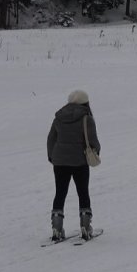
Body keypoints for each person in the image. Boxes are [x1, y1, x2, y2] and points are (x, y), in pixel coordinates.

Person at [47, 89, 101, 241]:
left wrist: (52, 157)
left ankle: (56, 229)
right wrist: (96, 152)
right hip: (80, 161)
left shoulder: (59, 117)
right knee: (83, 192)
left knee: (60, 192)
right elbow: (93, 142)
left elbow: (51, 139)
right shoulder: (86, 119)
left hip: (59, 162)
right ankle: (85, 227)